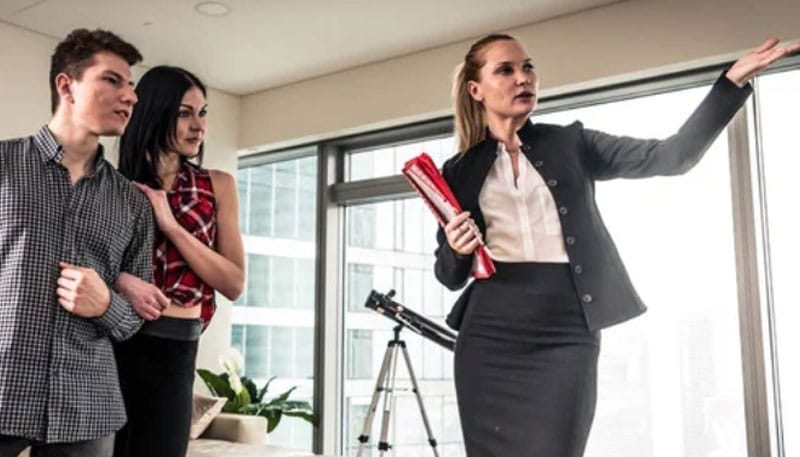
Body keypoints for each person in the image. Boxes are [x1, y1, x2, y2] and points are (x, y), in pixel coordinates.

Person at [436, 34, 800, 457]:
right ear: (475, 90)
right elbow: (447, 276)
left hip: (565, 330)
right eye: (506, 70)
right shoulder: (457, 170)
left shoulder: (571, 143)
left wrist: (731, 82)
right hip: (491, 334)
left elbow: (672, 157)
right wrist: (457, 249)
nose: (523, 78)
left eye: (528, 67)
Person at [0, 29, 159, 457]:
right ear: (66, 85)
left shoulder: (132, 203)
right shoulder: (3, 165)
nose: (130, 97)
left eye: (132, 86)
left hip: (87, 406)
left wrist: (107, 303)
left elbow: (134, 322)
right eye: (113, 80)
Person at [112, 65, 245, 457]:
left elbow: (234, 282)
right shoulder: (112, 184)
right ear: (156, 112)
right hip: (113, 339)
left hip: (175, 346)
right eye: (185, 113)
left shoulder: (217, 184)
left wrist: (169, 224)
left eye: (202, 113)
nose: (198, 126)